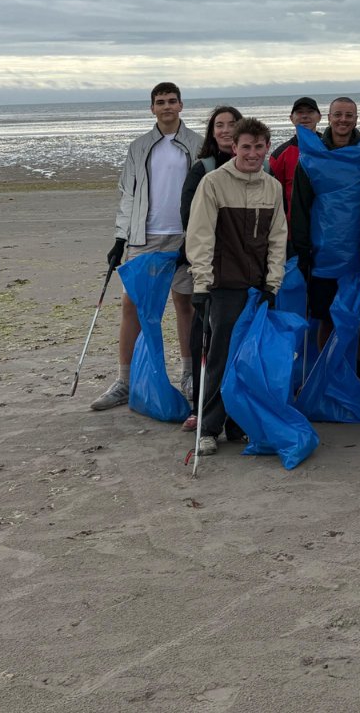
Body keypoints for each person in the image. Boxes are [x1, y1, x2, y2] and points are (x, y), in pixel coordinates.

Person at [91, 83, 203, 411]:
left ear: (181, 105)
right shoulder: (138, 147)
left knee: (186, 305)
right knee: (133, 306)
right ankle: (125, 380)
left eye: (171, 101)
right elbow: (128, 194)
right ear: (151, 108)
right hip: (145, 237)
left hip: (185, 237)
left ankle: (189, 375)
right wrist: (119, 239)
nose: (166, 106)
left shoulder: (197, 144)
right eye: (160, 102)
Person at [186, 117, 287, 456]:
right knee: (220, 357)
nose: (253, 153)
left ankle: (239, 424)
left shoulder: (271, 187)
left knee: (249, 358)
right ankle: (209, 426)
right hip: (223, 285)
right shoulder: (214, 183)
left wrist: (273, 283)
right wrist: (201, 284)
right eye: (246, 147)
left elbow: (277, 239)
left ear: (266, 148)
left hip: (257, 287)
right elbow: (199, 235)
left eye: (259, 147)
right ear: (234, 147)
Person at [291, 97, 360, 384]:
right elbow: (300, 208)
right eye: (338, 115)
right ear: (328, 118)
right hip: (325, 251)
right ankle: (329, 376)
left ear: (357, 119)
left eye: (350, 115)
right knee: (327, 317)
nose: (344, 120)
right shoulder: (310, 157)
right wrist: (302, 251)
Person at [176, 104, 241, 431]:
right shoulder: (203, 169)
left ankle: (237, 408)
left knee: (237, 339)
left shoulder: (259, 169)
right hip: (210, 265)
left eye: (232, 124)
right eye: (220, 125)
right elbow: (190, 218)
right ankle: (201, 407)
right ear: (212, 132)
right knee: (206, 337)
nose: (226, 130)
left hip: (244, 269)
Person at [271, 97, 321, 222]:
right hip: (293, 228)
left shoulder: (331, 149)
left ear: (319, 117)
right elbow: (274, 196)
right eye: (299, 112)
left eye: (310, 111)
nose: (305, 116)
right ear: (291, 118)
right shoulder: (279, 155)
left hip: (326, 226)